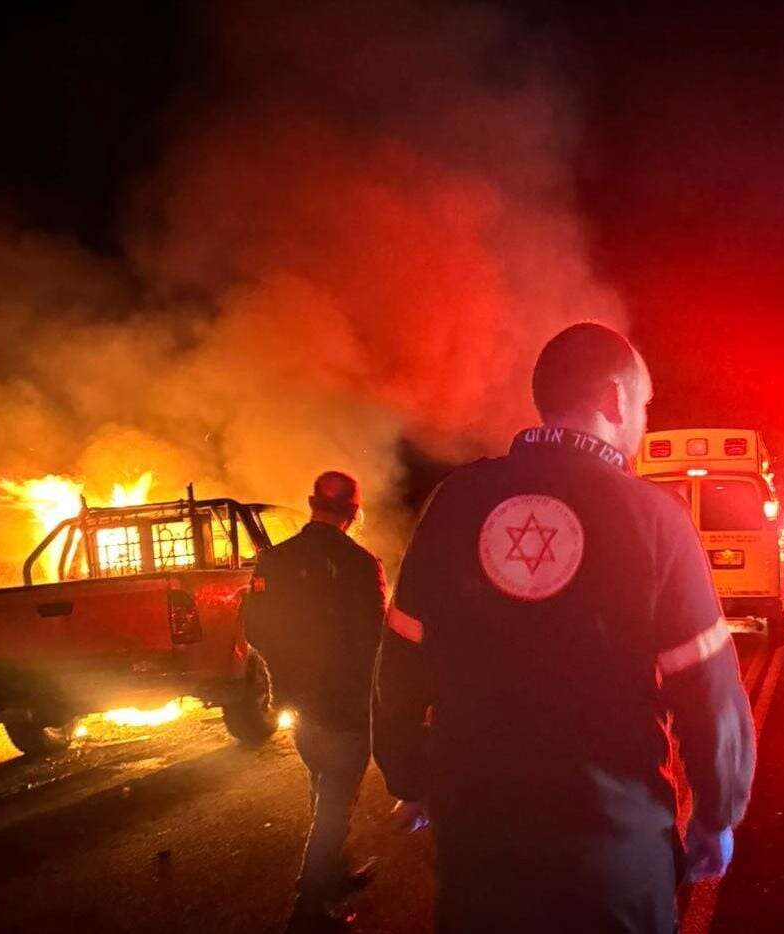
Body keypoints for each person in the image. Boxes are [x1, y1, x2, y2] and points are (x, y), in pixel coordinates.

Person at [375, 322, 755, 933]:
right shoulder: (655, 517)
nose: (643, 423)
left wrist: (409, 776)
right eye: (645, 405)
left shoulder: (455, 501)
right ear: (613, 399)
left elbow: (401, 658)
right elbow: (707, 686)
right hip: (613, 852)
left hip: (479, 847)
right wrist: (716, 812)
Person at [244, 471, 386, 932]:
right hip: (345, 704)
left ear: (311, 504)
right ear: (353, 512)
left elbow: (254, 629)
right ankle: (309, 906)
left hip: (299, 701)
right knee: (336, 796)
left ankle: (332, 873)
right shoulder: (361, 564)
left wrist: (285, 672)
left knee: (322, 783)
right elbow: (375, 641)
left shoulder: (274, 560)